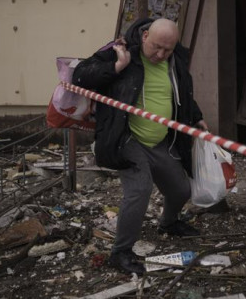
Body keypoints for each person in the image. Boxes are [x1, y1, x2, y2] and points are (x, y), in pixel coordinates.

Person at [72, 17, 207, 274]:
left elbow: (183, 93)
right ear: (145, 36)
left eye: (167, 49)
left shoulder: (175, 61)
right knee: (140, 190)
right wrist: (116, 67)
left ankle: (168, 224)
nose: (160, 54)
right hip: (126, 137)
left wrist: (196, 115)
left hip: (159, 141)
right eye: (156, 46)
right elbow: (79, 76)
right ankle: (120, 252)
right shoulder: (120, 52)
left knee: (180, 189)